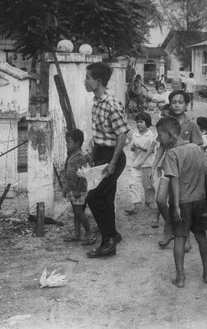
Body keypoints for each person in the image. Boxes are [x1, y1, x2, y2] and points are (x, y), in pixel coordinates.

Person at [156, 116, 207, 288]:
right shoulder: (196, 149)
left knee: (180, 238)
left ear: (171, 134)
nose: (159, 139)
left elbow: (174, 180)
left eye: (160, 135)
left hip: (182, 203)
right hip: (200, 200)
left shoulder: (171, 154)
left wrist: (175, 206)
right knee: (201, 236)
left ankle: (180, 277)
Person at [84, 62, 130, 258]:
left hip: (113, 157)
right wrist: (93, 157)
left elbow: (122, 135)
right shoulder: (96, 102)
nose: (85, 82)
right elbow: (98, 135)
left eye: (88, 78)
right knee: (107, 198)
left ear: (98, 81)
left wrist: (112, 163)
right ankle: (112, 235)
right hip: (101, 155)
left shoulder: (111, 104)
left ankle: (108, 239)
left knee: (93, 197)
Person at [152, 90, 203, 251]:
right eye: (174, 102)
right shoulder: (167, 122)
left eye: (180, 102)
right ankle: (172, 229)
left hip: (185, 172)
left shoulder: (191, 124)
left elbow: (198, 147)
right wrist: (154, 166)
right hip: (168, 167)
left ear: (186, 104)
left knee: (180, 203)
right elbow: (161, 146)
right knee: (160, 200)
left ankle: (183, 235)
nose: (177, 105)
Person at [62, 129, 95, 246]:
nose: (66, 144)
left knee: (79, 212)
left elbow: (82, 176)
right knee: (76, 212)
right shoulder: (72, 155)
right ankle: (77, 234)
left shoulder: (80, 157)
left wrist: (76, 190)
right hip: (72, 188)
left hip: (78, 190)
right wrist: (66, 187)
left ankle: (89, 233)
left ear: (77, 143)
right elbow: (68, 172)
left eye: (68, 142)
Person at [124, 112, 157, 223]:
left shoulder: (151, 135)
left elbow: (151, 150)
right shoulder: (134, 135)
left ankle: (149, 200)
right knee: (133, 183)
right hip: (136, 163)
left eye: (141, 122)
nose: (139, 124)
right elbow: (133, 147)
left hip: (147, 163)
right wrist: (133, 148)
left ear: (147, 123)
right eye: (137, 122)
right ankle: (134, 204)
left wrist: (139, 147)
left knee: (148, 184)